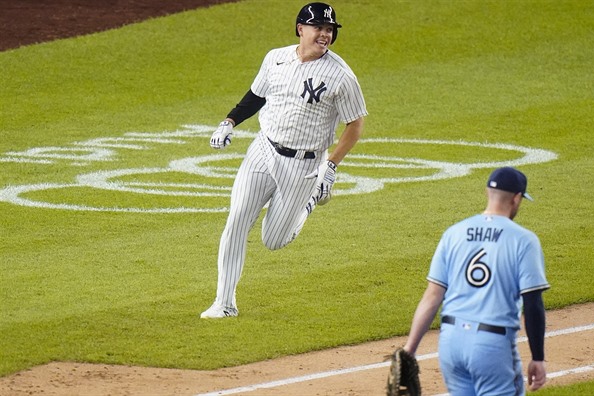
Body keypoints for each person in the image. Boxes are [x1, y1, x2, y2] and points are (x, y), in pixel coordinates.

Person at [200, 2, 367, 319]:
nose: (325, 34)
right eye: (319, 27)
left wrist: (329, 167)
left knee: (273, 240)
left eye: (330, 29)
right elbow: (256, 95)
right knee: (237, 220)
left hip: (304, 165)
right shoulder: (275, 58)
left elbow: (355, 124)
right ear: (300, 29)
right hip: (263, 149)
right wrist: (229, 121)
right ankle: (224, 303)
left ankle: (309, 201)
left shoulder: (340, 75)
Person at [400, 167, 549, 395]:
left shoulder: (454, 233)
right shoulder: (524, 240)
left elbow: (432, 296)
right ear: (517, 198)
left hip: (451, 343)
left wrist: (409, 349)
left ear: (487, 192)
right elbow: (532, 303)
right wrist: (538, 357)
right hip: (491, 346)